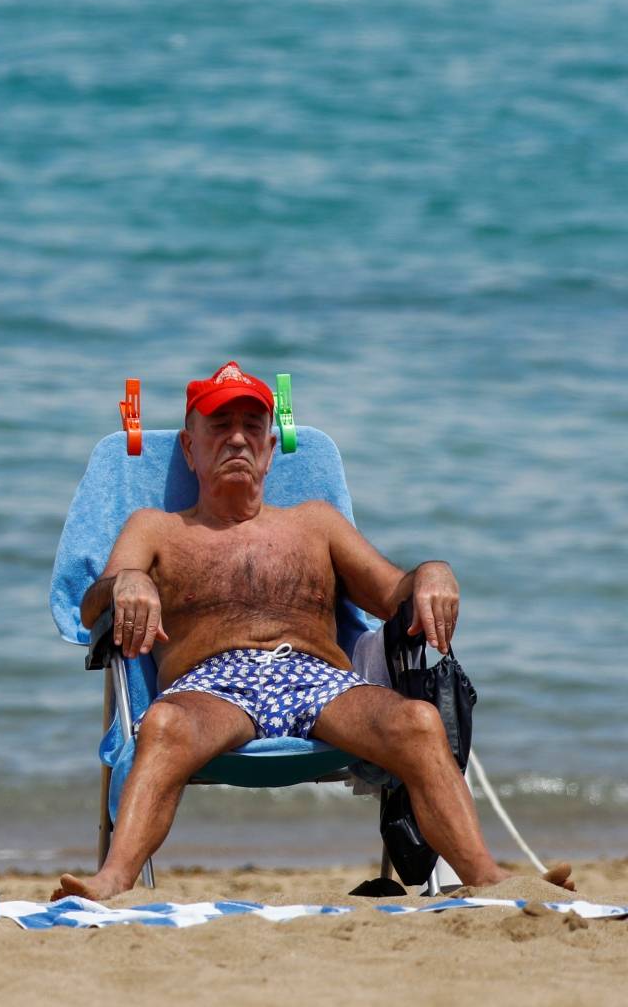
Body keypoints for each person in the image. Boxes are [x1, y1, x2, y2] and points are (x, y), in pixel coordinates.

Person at [55, 361, 573, 901]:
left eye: (252, 427)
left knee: (418, 722)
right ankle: (113, 882)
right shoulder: (155, 528)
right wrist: (125, 584)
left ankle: (487, 880)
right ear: (190, 447)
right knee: (162, 726)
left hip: (321, 680)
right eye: (219, 425)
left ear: (270, 448)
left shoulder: (315, 523)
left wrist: (432, 573)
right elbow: (94, 604)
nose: (237, 438)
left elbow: (394, 590)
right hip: (210, 687)